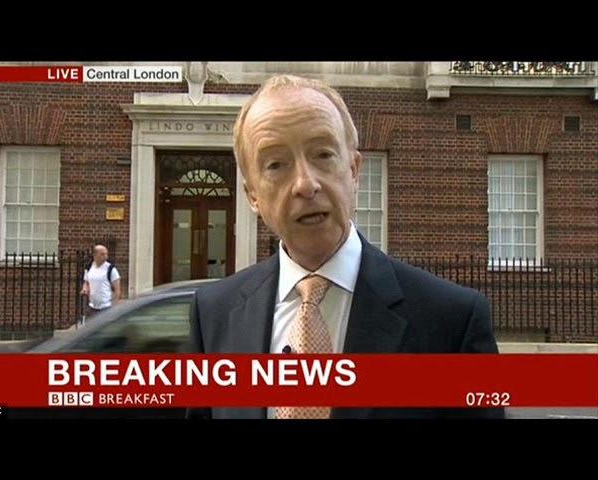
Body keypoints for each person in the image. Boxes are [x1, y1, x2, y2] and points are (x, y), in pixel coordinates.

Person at [186, 75, 505, 419]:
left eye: (323, 155)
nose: (305, 184)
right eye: (276, 164)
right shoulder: (214, 315)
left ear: (354, 171)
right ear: (252, 196)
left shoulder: (452, 321)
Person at [80, 244, 121, 320]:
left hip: (106, 307)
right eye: (102, 254)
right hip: (92, 306)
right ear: (95, 255)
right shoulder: (89, 267)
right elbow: (86, 282)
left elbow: (117, 289)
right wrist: (85, 288)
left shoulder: (110, 269)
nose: (105, 256)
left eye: (106, 254)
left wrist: (115, 306)